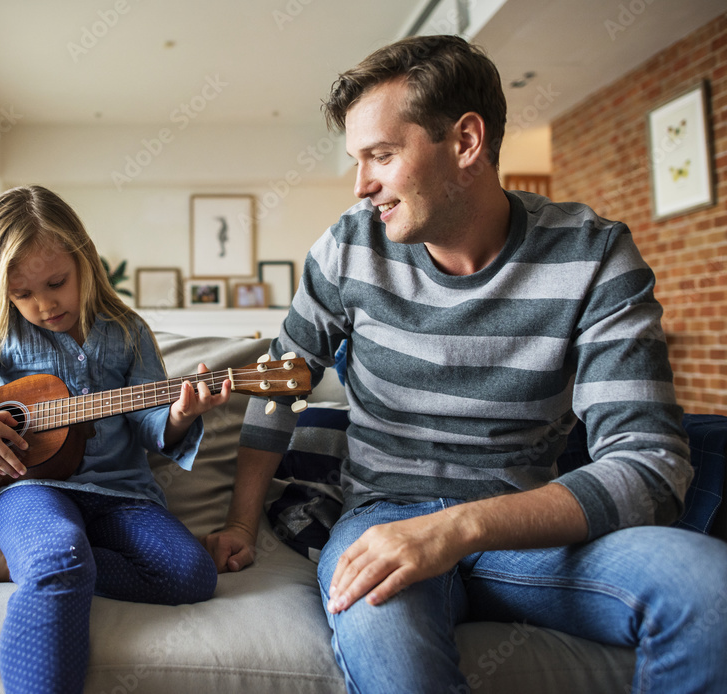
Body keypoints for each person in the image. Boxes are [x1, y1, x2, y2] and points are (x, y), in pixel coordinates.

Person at [202, 35, 727, 692]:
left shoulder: (593, 255)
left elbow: (650, 466)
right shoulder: (347, 249)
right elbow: (283, 383)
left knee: (711, 591)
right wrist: (241, 522)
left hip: (525, 522)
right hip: (384, 516)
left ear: (466, 142)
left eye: (382, 156)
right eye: (357, 160)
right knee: (376, 619)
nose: (362, 184)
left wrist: (458, 527)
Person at [0, 185, 231, 694]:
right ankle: (32, 555)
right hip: (27, 490)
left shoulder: (128, 332)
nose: (44, 304)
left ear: (84, 259)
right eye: (24, 294)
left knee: (190, 574)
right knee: (58, 560)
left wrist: (177, 414)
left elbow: (153, 425)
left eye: (57, 282)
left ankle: (10, 560)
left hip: (122, 497)